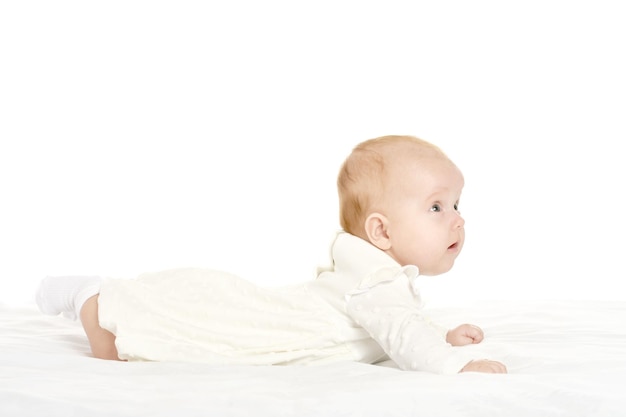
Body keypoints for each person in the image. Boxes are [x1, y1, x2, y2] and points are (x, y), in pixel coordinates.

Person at [36, 135, 507, 374]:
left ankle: (93, 296)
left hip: (275, 314)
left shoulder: (380, 282)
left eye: (457, 205)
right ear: (380, 231)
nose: (457, 219)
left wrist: (442, 335)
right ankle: (88, 294)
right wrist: (455, 365)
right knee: (125, 344)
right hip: (264, 318)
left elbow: (394, 325)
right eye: (436, 207)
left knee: (149, 337)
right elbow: (402, 335)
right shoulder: (377, 282)